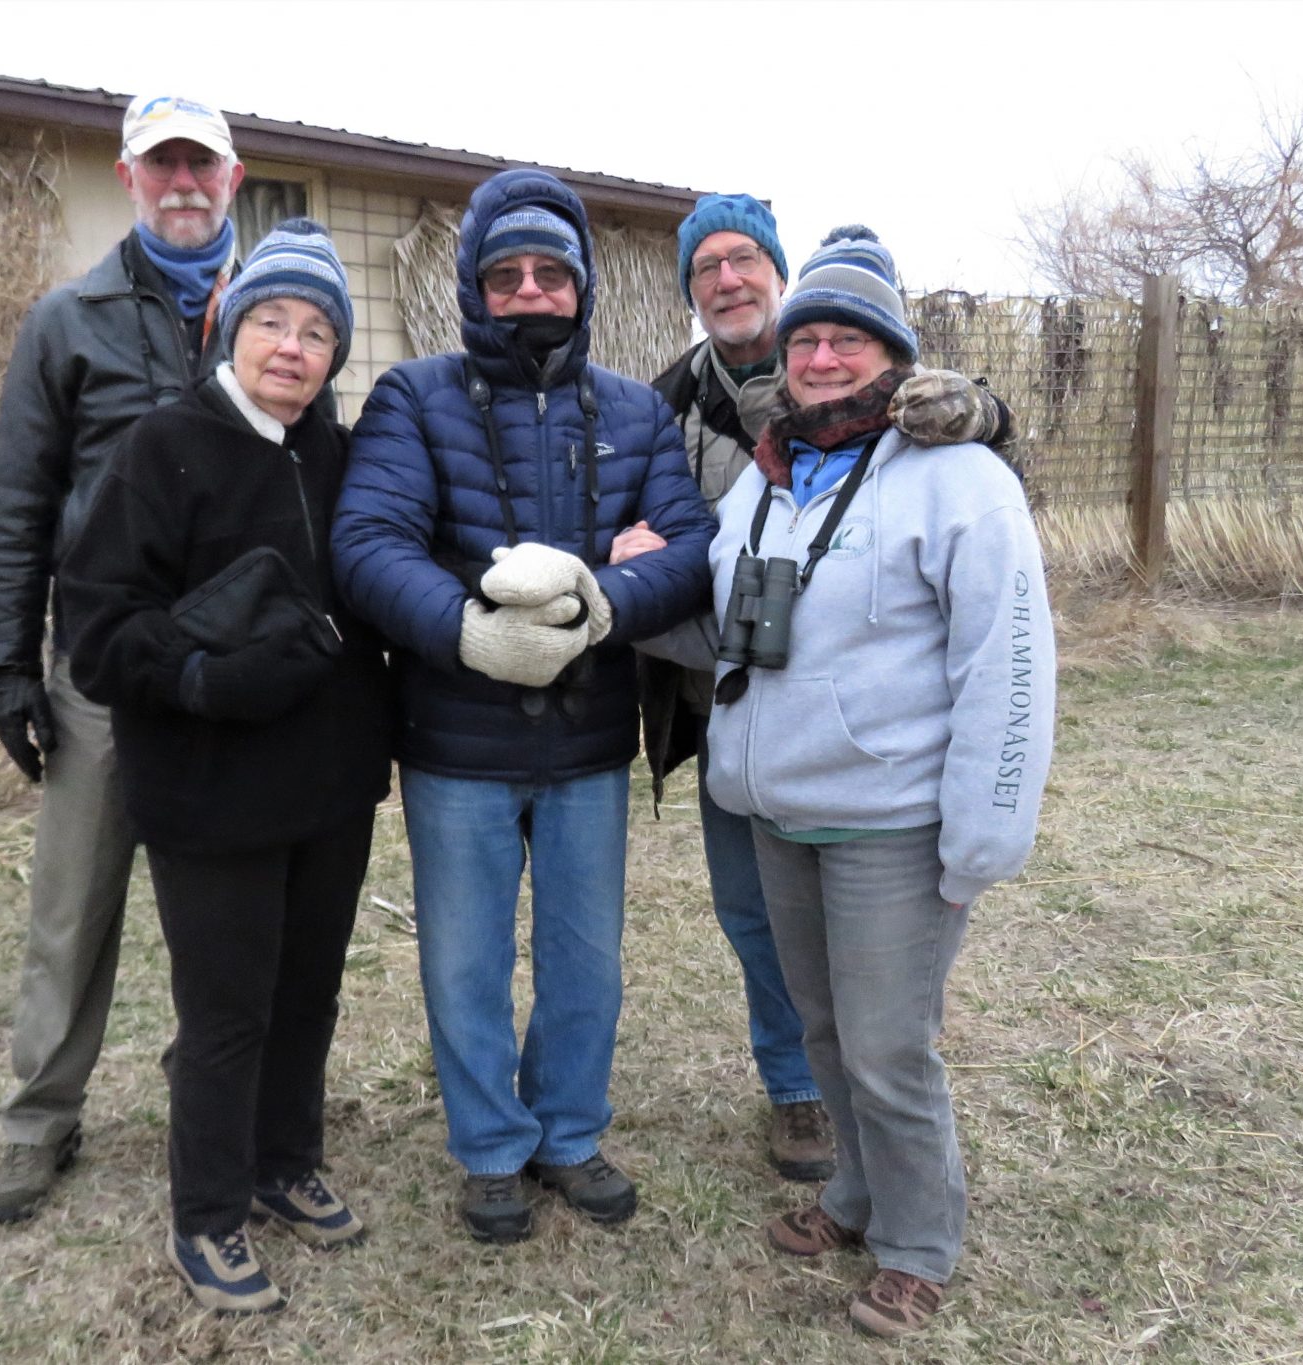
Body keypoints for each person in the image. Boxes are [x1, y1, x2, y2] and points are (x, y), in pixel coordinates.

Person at [331, 168, 716, 1244]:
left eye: (553, 272)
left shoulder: (635, 412)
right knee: (465, 961)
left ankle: (569, 1132)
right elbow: (368, 543)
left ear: (582, 287)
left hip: (588, 740)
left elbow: (689, 548)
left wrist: (606, 601)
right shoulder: (413, 399)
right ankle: (492, 1147)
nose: (532, 291)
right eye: (508, 275)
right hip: (455, 742)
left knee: (585, 958)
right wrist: (469, 631)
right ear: (475, 287)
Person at [693, 227, 1054, 1336]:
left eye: (850, 340)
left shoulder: (959, 479)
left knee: (890, 1049)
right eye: (806, 339)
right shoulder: (765, 479)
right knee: (824, 1033)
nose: (822, 358)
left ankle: (918, 1243)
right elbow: (730, 621)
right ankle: (855, 1195)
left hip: (890, 824)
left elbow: (1004, 661)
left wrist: (985, 830)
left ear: (895, 358)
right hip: (778, 812)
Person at [643, 194, 1017, 1183]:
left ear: (778, 273)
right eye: (705, 266)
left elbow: (970, 504)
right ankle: (803, 1089)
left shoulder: (896, 408)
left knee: (875, 1004)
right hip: (727, 716)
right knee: (758, 924)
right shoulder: (665, 405)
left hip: (859, 748)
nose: (727, 280)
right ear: (689, 291)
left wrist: (987, 413)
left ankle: (842, 1134)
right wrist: (622, 585)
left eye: (745, 260)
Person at [59, 220, 391, 1314]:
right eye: (271, 321)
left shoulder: (339, 458)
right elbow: (96, 627)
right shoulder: (165, 446)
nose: (292, 346)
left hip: (329, 790)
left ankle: (284, 1162)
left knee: (307, 993)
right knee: (227, 1011)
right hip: (208, 793)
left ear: (335, 354)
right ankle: (206, 1210)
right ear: (231, 331)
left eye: (316, 331)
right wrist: (201, 679)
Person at [0, 93, 246, 1224]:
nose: (182, 183)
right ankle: (40, 1116)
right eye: (161, 164)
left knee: (223, 900)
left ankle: (210, 1081)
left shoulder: (274, 312)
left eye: (200, 164)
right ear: (127, 177)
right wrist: (8, 663)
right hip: (101, 670)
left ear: (232, 178)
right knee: (74, 903)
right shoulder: (67, 320)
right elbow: (19, 499)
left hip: (226, 670)